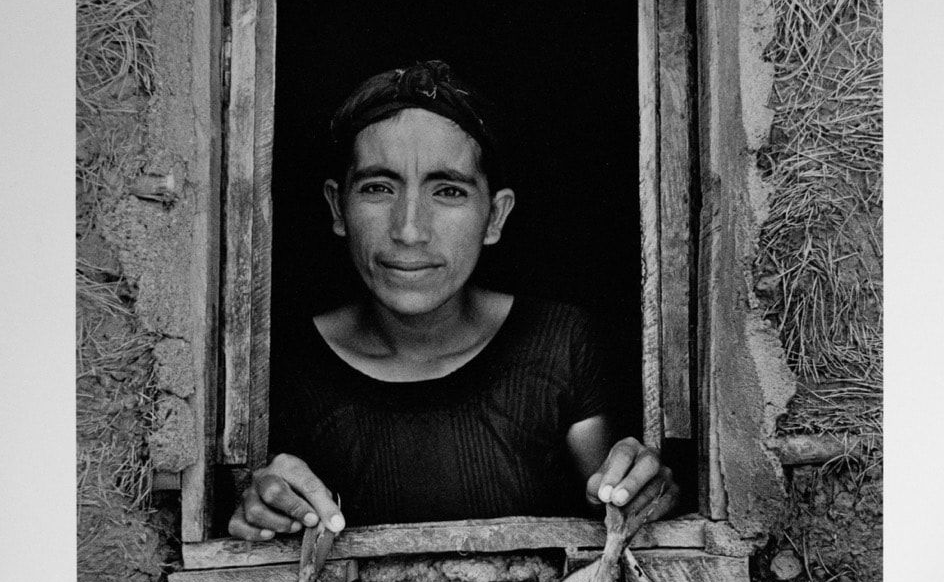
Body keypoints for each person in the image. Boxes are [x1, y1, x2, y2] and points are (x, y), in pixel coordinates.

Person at [229, 60, 678, 542]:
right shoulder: (283, 364)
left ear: (495, 217)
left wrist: (642, 489)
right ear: (339, 207)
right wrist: (258, 506)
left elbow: (612, 499)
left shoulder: (558, 344)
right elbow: (254, 498)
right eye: (378, 188)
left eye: (448, 191)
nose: (409, 230)